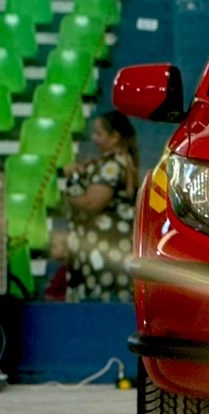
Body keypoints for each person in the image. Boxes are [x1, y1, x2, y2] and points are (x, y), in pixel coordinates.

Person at [64, 110, 139, 303]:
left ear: (114, 137)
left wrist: (66, 191)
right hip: (96, 247)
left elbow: (92, 203)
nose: (93, 138)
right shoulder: (105, 162)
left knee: (102, 304)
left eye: (99, 134)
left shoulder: (113, 165)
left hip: (106, 246)